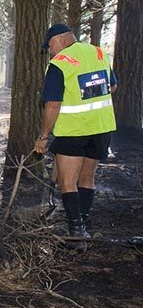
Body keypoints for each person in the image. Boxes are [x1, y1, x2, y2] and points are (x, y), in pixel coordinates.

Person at [34, 24, 117, 249]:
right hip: (101, 127)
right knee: (87, 178)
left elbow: (52, 104)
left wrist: (43, 136)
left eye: (49, 46)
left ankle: (76, 233)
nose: (49, 52)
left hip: (73, 131)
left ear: (59, 40)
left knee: (67, 181)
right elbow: (113, 86)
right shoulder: (98, 53)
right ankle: (84, 224)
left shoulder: (59, 64)